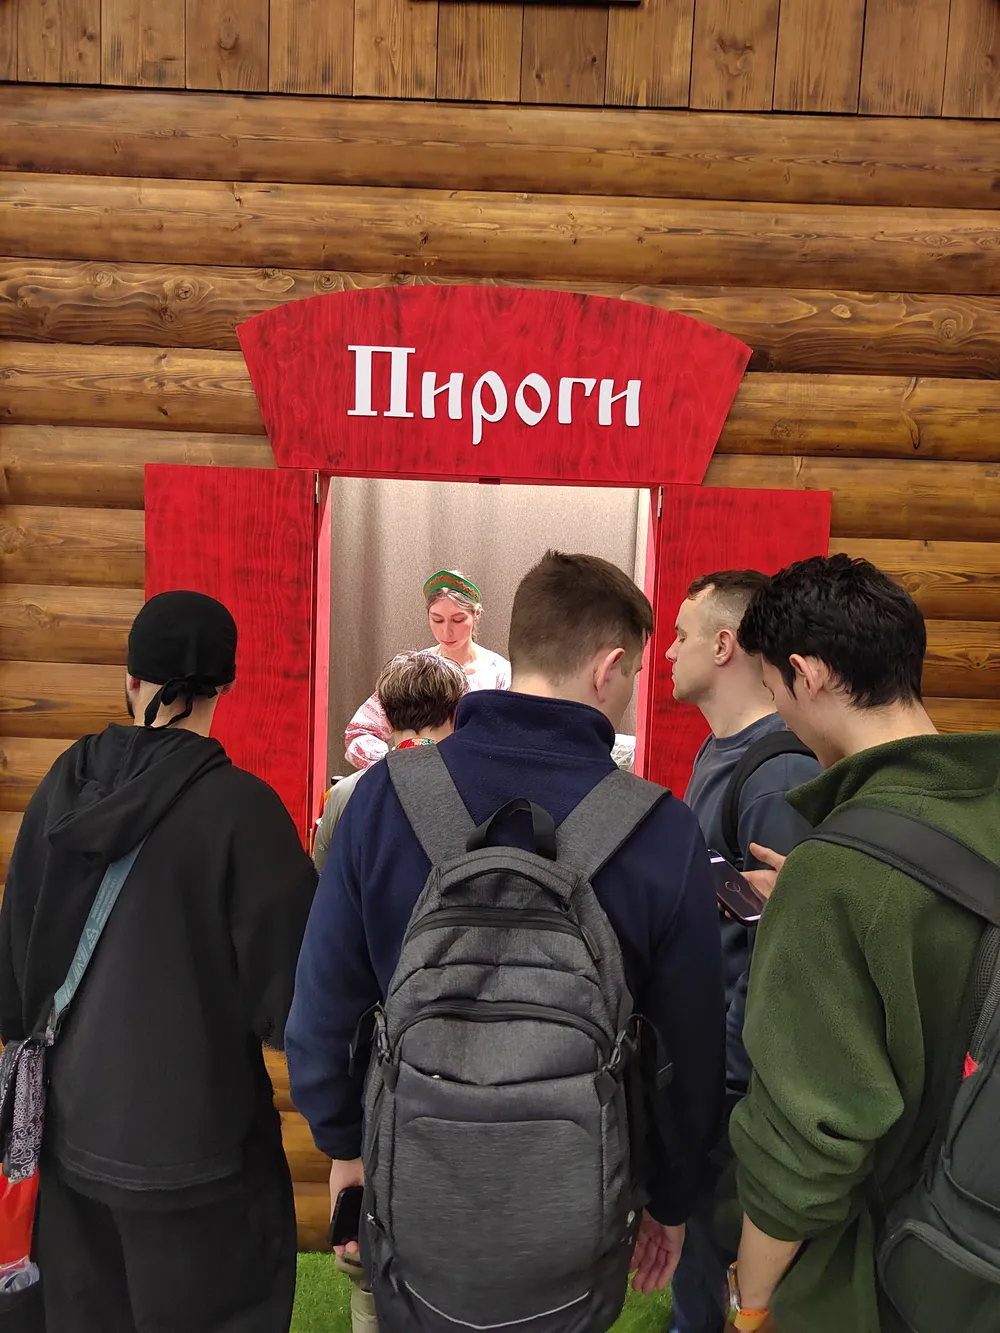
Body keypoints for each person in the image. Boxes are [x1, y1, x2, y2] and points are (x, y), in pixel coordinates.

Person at [287, 550, 726, 1330]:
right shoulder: (661, 829)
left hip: (412, 1183)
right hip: (578, 1204)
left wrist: (345, 1146)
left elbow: (322, 1006)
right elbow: (688, 1050)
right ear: (608, 666)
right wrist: (670, 1197)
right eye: (631, 675)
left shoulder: (383, 799)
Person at [0, 591, 317, 1333]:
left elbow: (16, 972)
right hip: (203, 1163)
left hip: (68, 1140)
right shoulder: (244, 811)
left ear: (132, 679)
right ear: (223, 687)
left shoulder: (59, 787)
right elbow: (296, 1003)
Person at [724, 555, 1000, 1333]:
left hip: (889, 1283)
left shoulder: (837, 872)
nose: (780, 713)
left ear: (808, 675)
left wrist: (751, 1306)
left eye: (774, 689)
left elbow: (802, 1154)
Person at [664, 570, 821, 1333]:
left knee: (719, 1275)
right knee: (695, 1264)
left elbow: (781, 954)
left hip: (739, 1086)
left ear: (724, 644)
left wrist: (722, 1082)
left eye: (681, 634)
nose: (669, 650)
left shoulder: (777, 772)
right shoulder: (718, 751)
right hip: (708, 1069)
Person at [314, 651, 468, 871]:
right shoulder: (475, 787)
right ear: (456, 714)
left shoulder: (346, 792)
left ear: (386, 718)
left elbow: (322, 874)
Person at [344, 570, 510, 769]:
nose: (446, 631)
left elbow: (512, 739)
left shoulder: (500, 674)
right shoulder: (415, 670)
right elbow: (360, 732)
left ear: (477, 614)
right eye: (437, 619)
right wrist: (395, 766)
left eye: (458, 620)